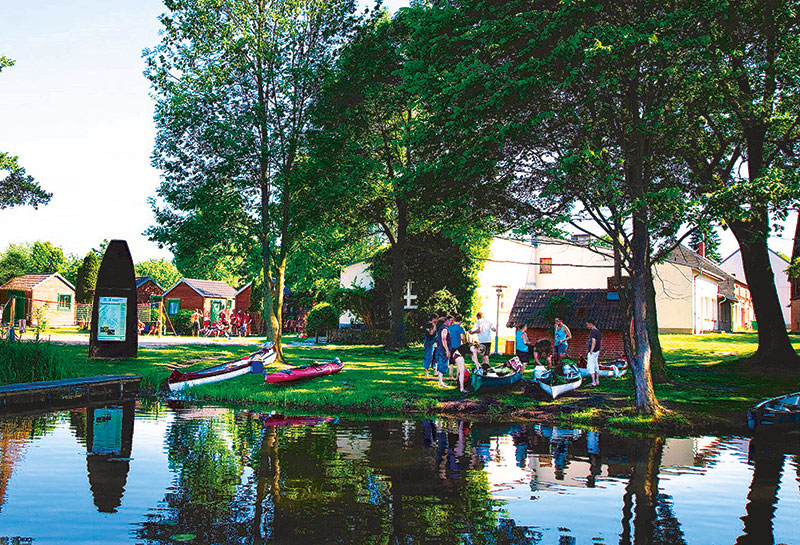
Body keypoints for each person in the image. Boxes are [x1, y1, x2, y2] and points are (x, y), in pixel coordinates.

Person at [434, 316, 453, 388]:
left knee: (441, 364)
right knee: (443, 364)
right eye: (451, 321)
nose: (451, 323)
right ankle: (440, 382)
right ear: (447, 321)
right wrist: (447, 350)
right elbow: (443, 339)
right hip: (443, 350)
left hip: (441, 349)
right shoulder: (444, 329)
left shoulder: (442, 328)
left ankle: (440, 381)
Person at [448, 315, 466, 379]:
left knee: (451, 362)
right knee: (459, 362)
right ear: (460, 321)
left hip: (450, 347)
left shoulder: (449, 328)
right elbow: (462, 337)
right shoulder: (460, 328)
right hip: (457, 347)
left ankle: (450, 376)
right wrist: (464, 343)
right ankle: (457, 377)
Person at [586, 319, 602, 386]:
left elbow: (593, 341)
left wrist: (591, 351)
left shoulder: (593, 331)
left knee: (591, 365)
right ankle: (597, 380)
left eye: (587, 324)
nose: (587, 326)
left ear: (591, 324)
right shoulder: (598, 331)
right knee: (596, 365)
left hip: (593, 351)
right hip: (597, 351)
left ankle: (593, 382)